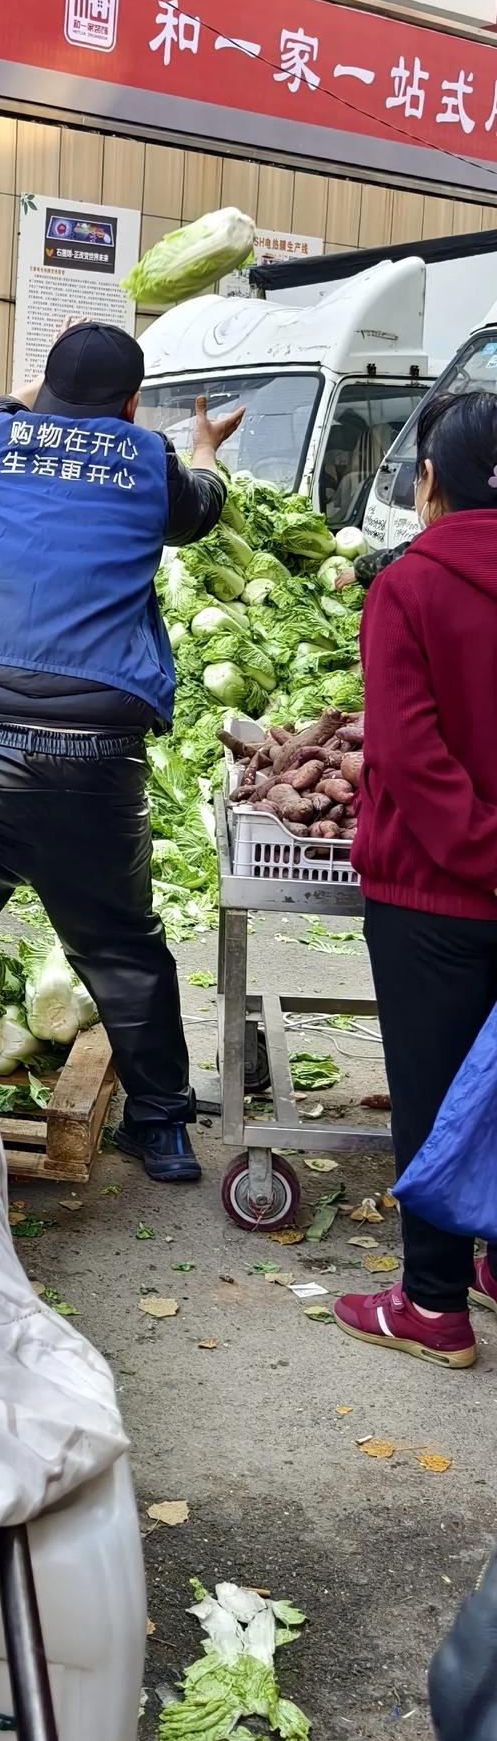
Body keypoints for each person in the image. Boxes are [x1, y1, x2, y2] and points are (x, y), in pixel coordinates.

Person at [0, 322, 243, 1183]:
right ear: (129, 403)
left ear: (42, 387)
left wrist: (30, 395)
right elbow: (206, 502)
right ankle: (161, 1130)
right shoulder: (151, 462)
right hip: (94, 762)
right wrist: (201, 445)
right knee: (121, 945)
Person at [334, 389, 497, 1370]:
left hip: (434, 894)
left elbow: (414, 755)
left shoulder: (405, 584)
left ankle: (431, 1302)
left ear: (429, 478)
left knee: (434, 1092)